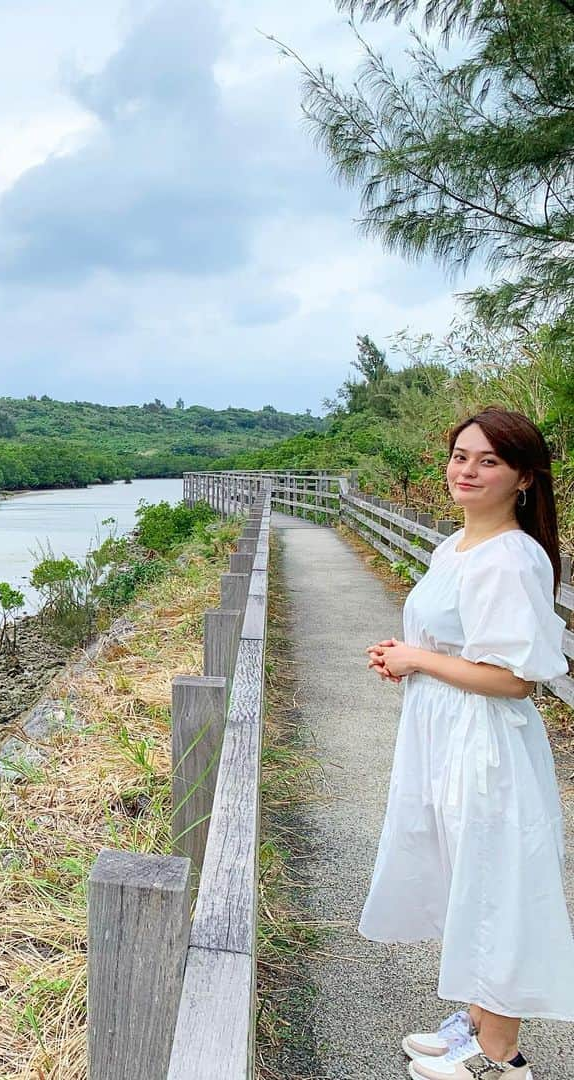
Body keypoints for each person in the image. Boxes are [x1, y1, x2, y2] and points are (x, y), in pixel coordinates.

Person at [361, 407, 574, 1080]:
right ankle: (478, 1022)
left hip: (487, 744)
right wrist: (405, 654)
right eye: (460, 456)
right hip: (446, 734)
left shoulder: (511, 559)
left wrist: (416, 661)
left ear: (524, 480)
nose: (468, 470)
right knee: (468, 877)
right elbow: (448, 642)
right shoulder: (452, 548)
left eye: (488, 461)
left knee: (499, 884)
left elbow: (513, 679)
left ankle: (499, 1055)